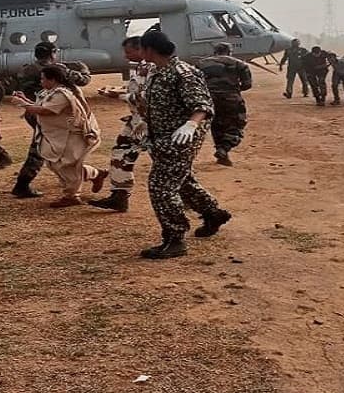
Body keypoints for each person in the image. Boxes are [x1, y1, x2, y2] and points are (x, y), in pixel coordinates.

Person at [137, 31, 231, 260]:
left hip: (179, 140)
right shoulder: (157, 72)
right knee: (182, 181)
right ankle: (213, 213)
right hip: (161, 139)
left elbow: (201, 105)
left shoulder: (183, 72)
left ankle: (175, 238)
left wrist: (190, 125)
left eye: (141, 48)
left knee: (161, 186)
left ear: (150, 49)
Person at [9, 64, 107, 207]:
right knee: (56, 164)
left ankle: (72, 196)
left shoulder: (62, 94)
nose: (41, 81)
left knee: (66, 166)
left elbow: (46, 111)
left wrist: (22, 104)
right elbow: (41, 106)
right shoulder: (50, 92)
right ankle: (96, 174)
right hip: (56, 135)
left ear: (53, 79)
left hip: (70, 136)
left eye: (43, 79)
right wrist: (25, 100)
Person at [12, 41, 91, 198]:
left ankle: (67, 177)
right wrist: (81, 68)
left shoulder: (26, 69)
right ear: (52, 53)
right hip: (50, 112)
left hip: (32, 109)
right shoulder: (57, 70)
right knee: (44, 146)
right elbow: (84, 80)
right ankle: (23, 183)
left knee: (52, 143)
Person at [89, 37, 151, 212]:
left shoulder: (151, 69)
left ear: (141, 49)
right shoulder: (140, 68)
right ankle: (119, 195)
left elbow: (146, 97)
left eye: (129, 52)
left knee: (164, 163)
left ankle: (195, 200)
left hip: (147, 122)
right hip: (137, 121)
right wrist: (119, 91)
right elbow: (136, 91)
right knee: (121, 152)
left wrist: (117, 95)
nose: (125, 56)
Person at [194, 43, 253, 165]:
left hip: (209, 100)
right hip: (231, 99)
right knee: (237, 124)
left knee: (216, 125)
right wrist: (233, 90)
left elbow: (195, 83)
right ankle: (224, 148)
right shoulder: (239, 64)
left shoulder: (201, 64)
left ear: (215, 51)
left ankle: (222, 154)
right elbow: (247, 84)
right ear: (229, 51)